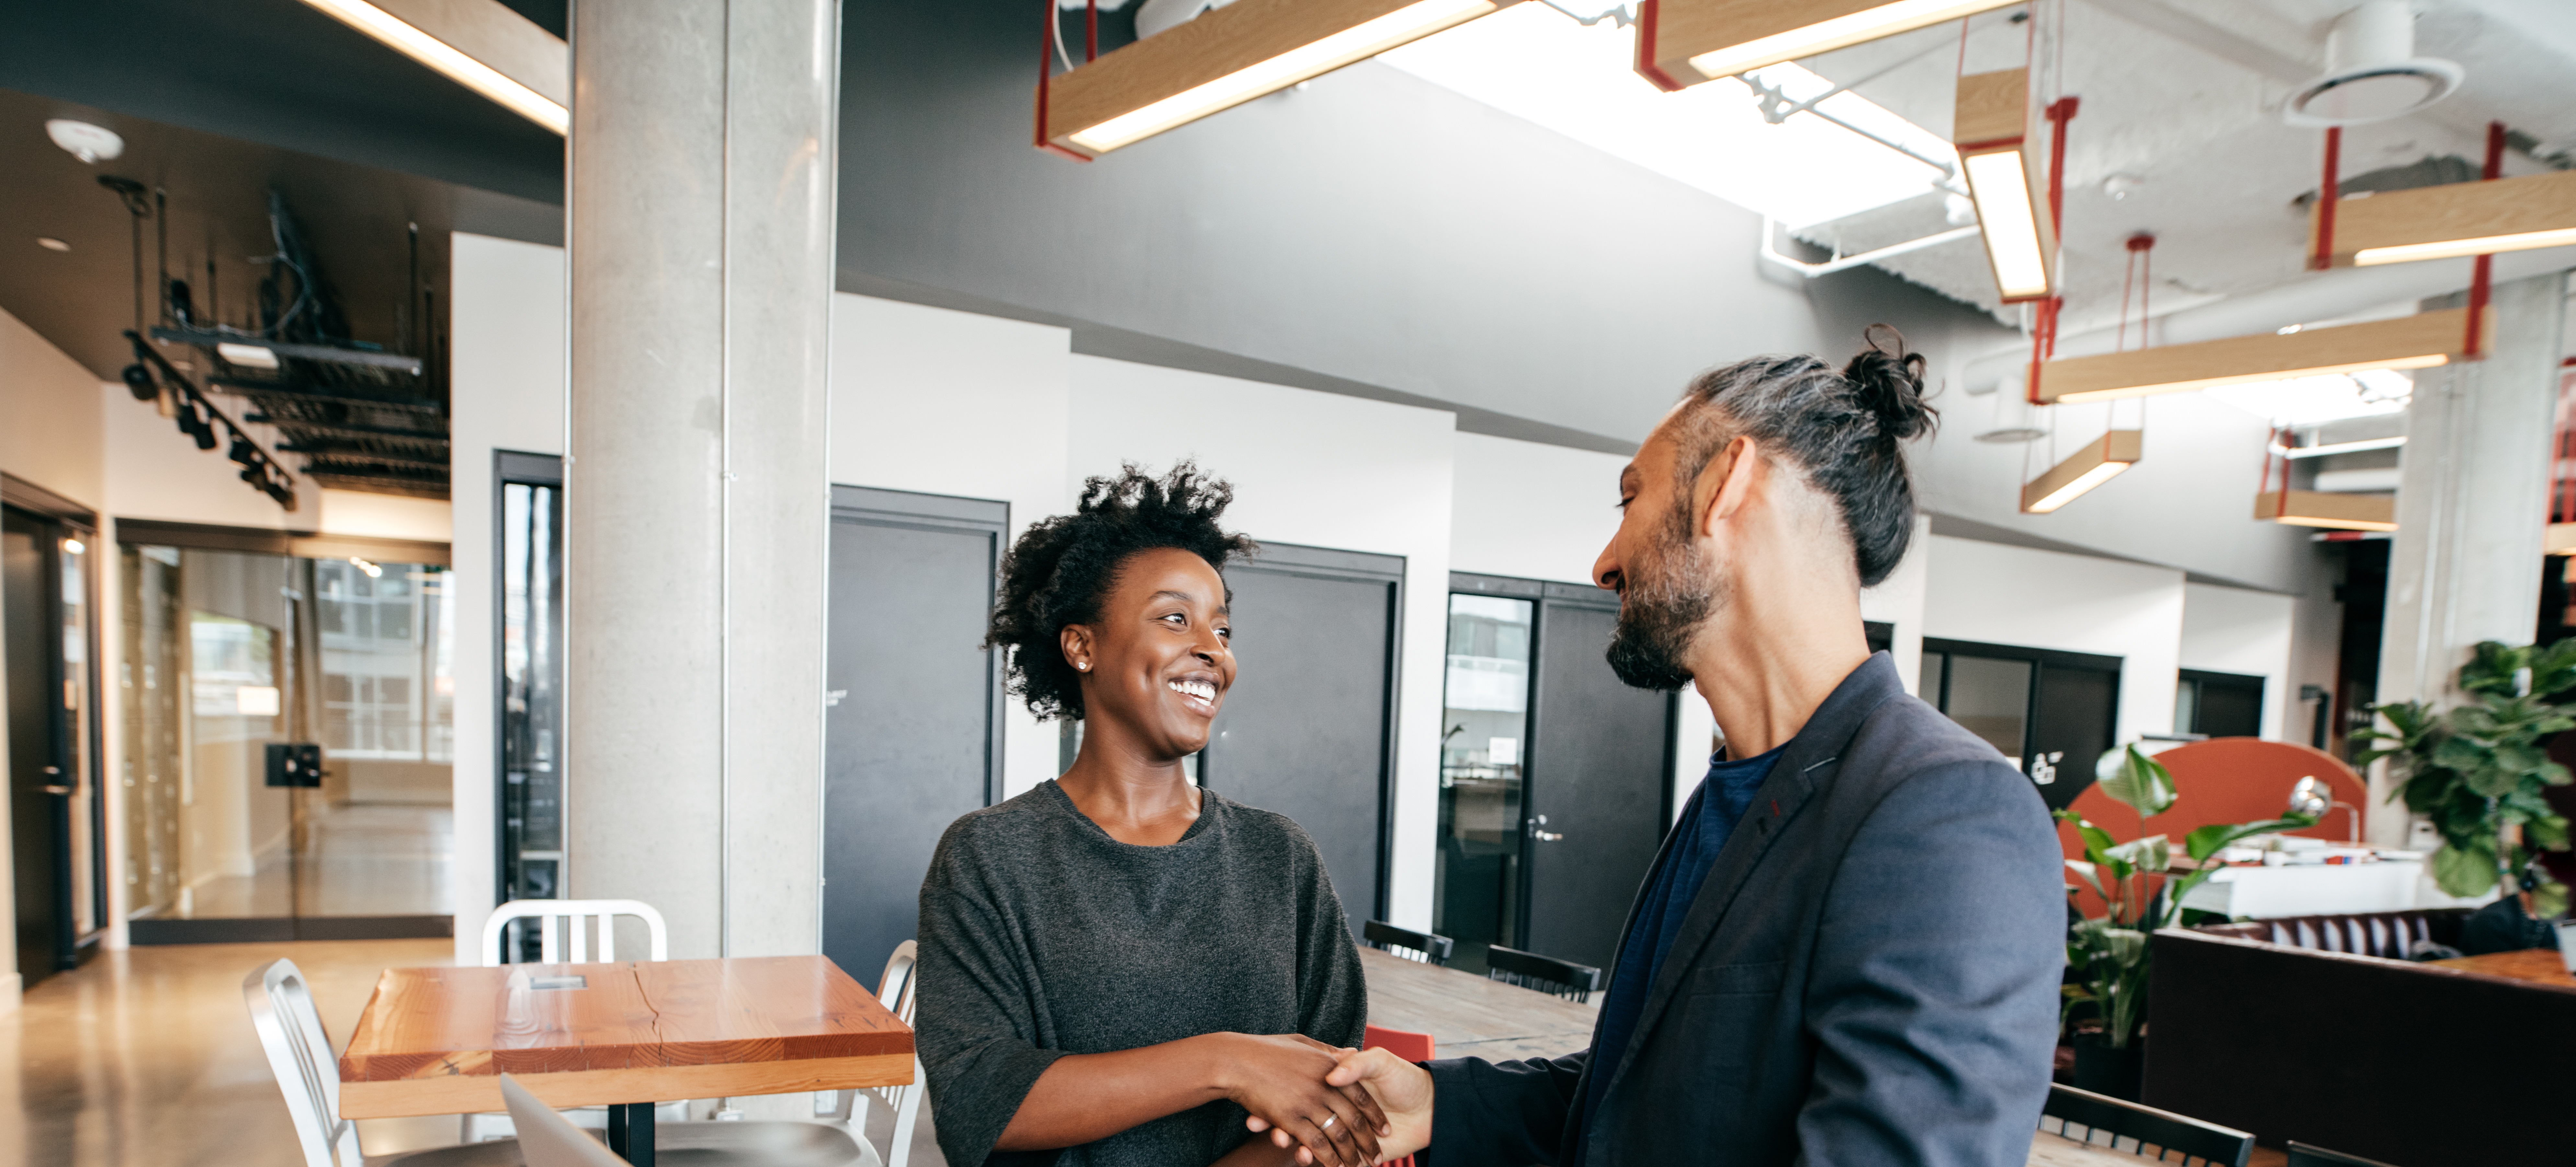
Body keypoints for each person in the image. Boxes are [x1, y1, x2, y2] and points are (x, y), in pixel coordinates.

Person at [1295, 329, 2066, 1166]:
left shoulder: (1945, 811)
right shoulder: (1728, 800)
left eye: (1632, 499)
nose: (1604, 561)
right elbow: (1638, 1101)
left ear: (1726, 485)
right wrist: (1440, 1098)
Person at [915, 463, 1390, 1167]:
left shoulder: (1279, 855)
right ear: (1082, 646)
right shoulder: (991, 855)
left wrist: (1270, 1081)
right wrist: (1225, 1061)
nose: (1213, 649)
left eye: (1222, 628)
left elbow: (1332, 1104)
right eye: (1176, 617)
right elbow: (979, 1098)